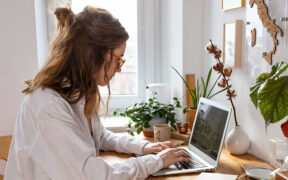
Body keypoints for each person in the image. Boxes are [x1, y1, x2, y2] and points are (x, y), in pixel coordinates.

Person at [4, 4, 190, 180]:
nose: (118, 69)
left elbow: (99, 136)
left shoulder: (78, 92)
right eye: (118, 60)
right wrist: (156, 161)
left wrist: (144, 146)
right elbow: (93, 175)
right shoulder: (47, 105)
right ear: (94, 54)